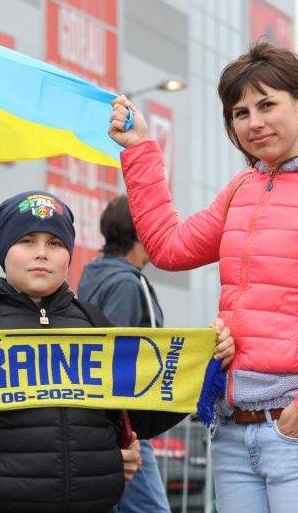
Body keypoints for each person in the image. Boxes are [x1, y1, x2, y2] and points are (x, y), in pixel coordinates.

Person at [108, 41, 298, 512]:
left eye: (267, 104)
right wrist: (141, 149)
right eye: (240, 112)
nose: (254, 122)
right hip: (234, 431)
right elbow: (168, 247)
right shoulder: (241, 190)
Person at [0, 191, 218, 512]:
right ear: (4, 250)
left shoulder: (95, 324)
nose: (41, 253)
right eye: (27, 240)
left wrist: (206, 361)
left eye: (55, 244)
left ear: (69, 254)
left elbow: (139, 413)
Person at [78, 195, 171, 513]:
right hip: (125, 425)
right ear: (142, 233)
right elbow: (120, 356)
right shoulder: (129, 284)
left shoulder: (94, 274)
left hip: (100, 423)